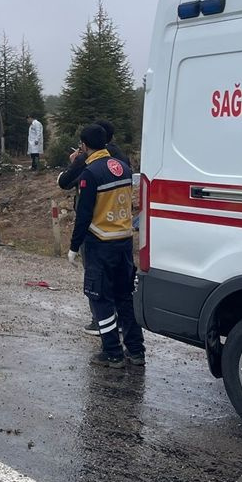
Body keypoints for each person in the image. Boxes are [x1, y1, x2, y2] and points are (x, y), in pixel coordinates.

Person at [67, 124, 144, 368]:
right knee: (125, 299)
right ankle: (136, 351)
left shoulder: (91, 173)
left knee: (100, 299)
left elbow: (84, 214)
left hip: (100, 243)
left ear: (85, 145)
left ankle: (112, 353)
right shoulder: (123, 167)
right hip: (124, 241)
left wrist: (73, 246)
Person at [57, 119, 129, 337]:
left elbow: (66, 183)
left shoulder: (88, 164)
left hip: (98, 232)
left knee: (97, 285)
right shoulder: (122, 160)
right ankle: (128, 337)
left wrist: (73, 245)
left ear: (86, 144)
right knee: (122, 288)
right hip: (122, 231)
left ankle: (101, 325)